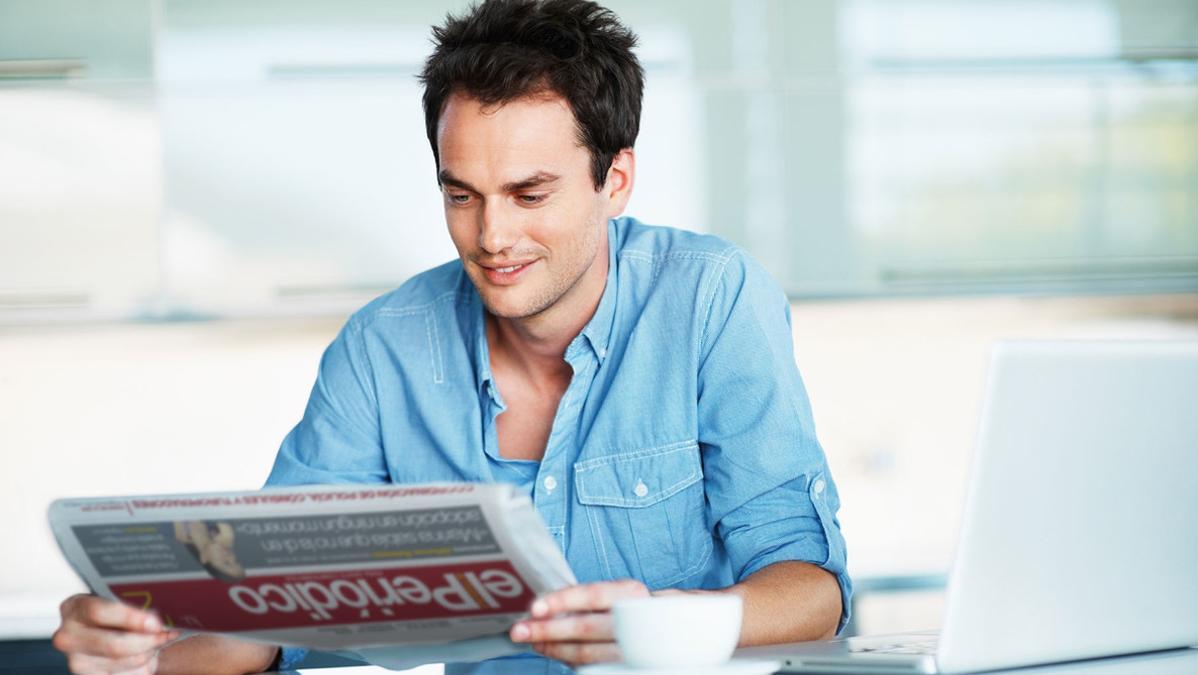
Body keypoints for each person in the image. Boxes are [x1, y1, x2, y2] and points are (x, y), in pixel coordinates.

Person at [51, 0, 850, 671]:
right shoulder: (382, 350)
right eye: (461, 194)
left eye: (529, 193)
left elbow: (815, 590)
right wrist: (140, 651)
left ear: (615, 180)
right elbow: (270, 618)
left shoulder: (711, 298)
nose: (491, 236)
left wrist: (671, 622)